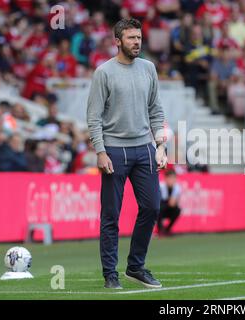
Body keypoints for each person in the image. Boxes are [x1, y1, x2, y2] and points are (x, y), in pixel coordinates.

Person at [87, 18, 167, 290]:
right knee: (111, 214)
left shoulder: (149, 68)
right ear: (118, 41)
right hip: (114, 150)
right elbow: (94, 117)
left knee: (152, 207)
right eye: (131, 38)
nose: (137, 43)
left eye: (139, 38)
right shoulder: (104, 72)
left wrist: (161, 145)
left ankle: (136, 266)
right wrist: (100, 151)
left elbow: (156, 110)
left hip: (145, 148)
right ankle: (110, 273)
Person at [158, 169, 182, 236]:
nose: (172, 180)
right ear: (166, 178)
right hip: (160, 209)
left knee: (178, 210)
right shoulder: (161, 186)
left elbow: (172, 204)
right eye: (170, 178)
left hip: (169, 209)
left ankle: (167, 230)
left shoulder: (177, 188)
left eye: (174, 178)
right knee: (159, 208)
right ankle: (160, 230)